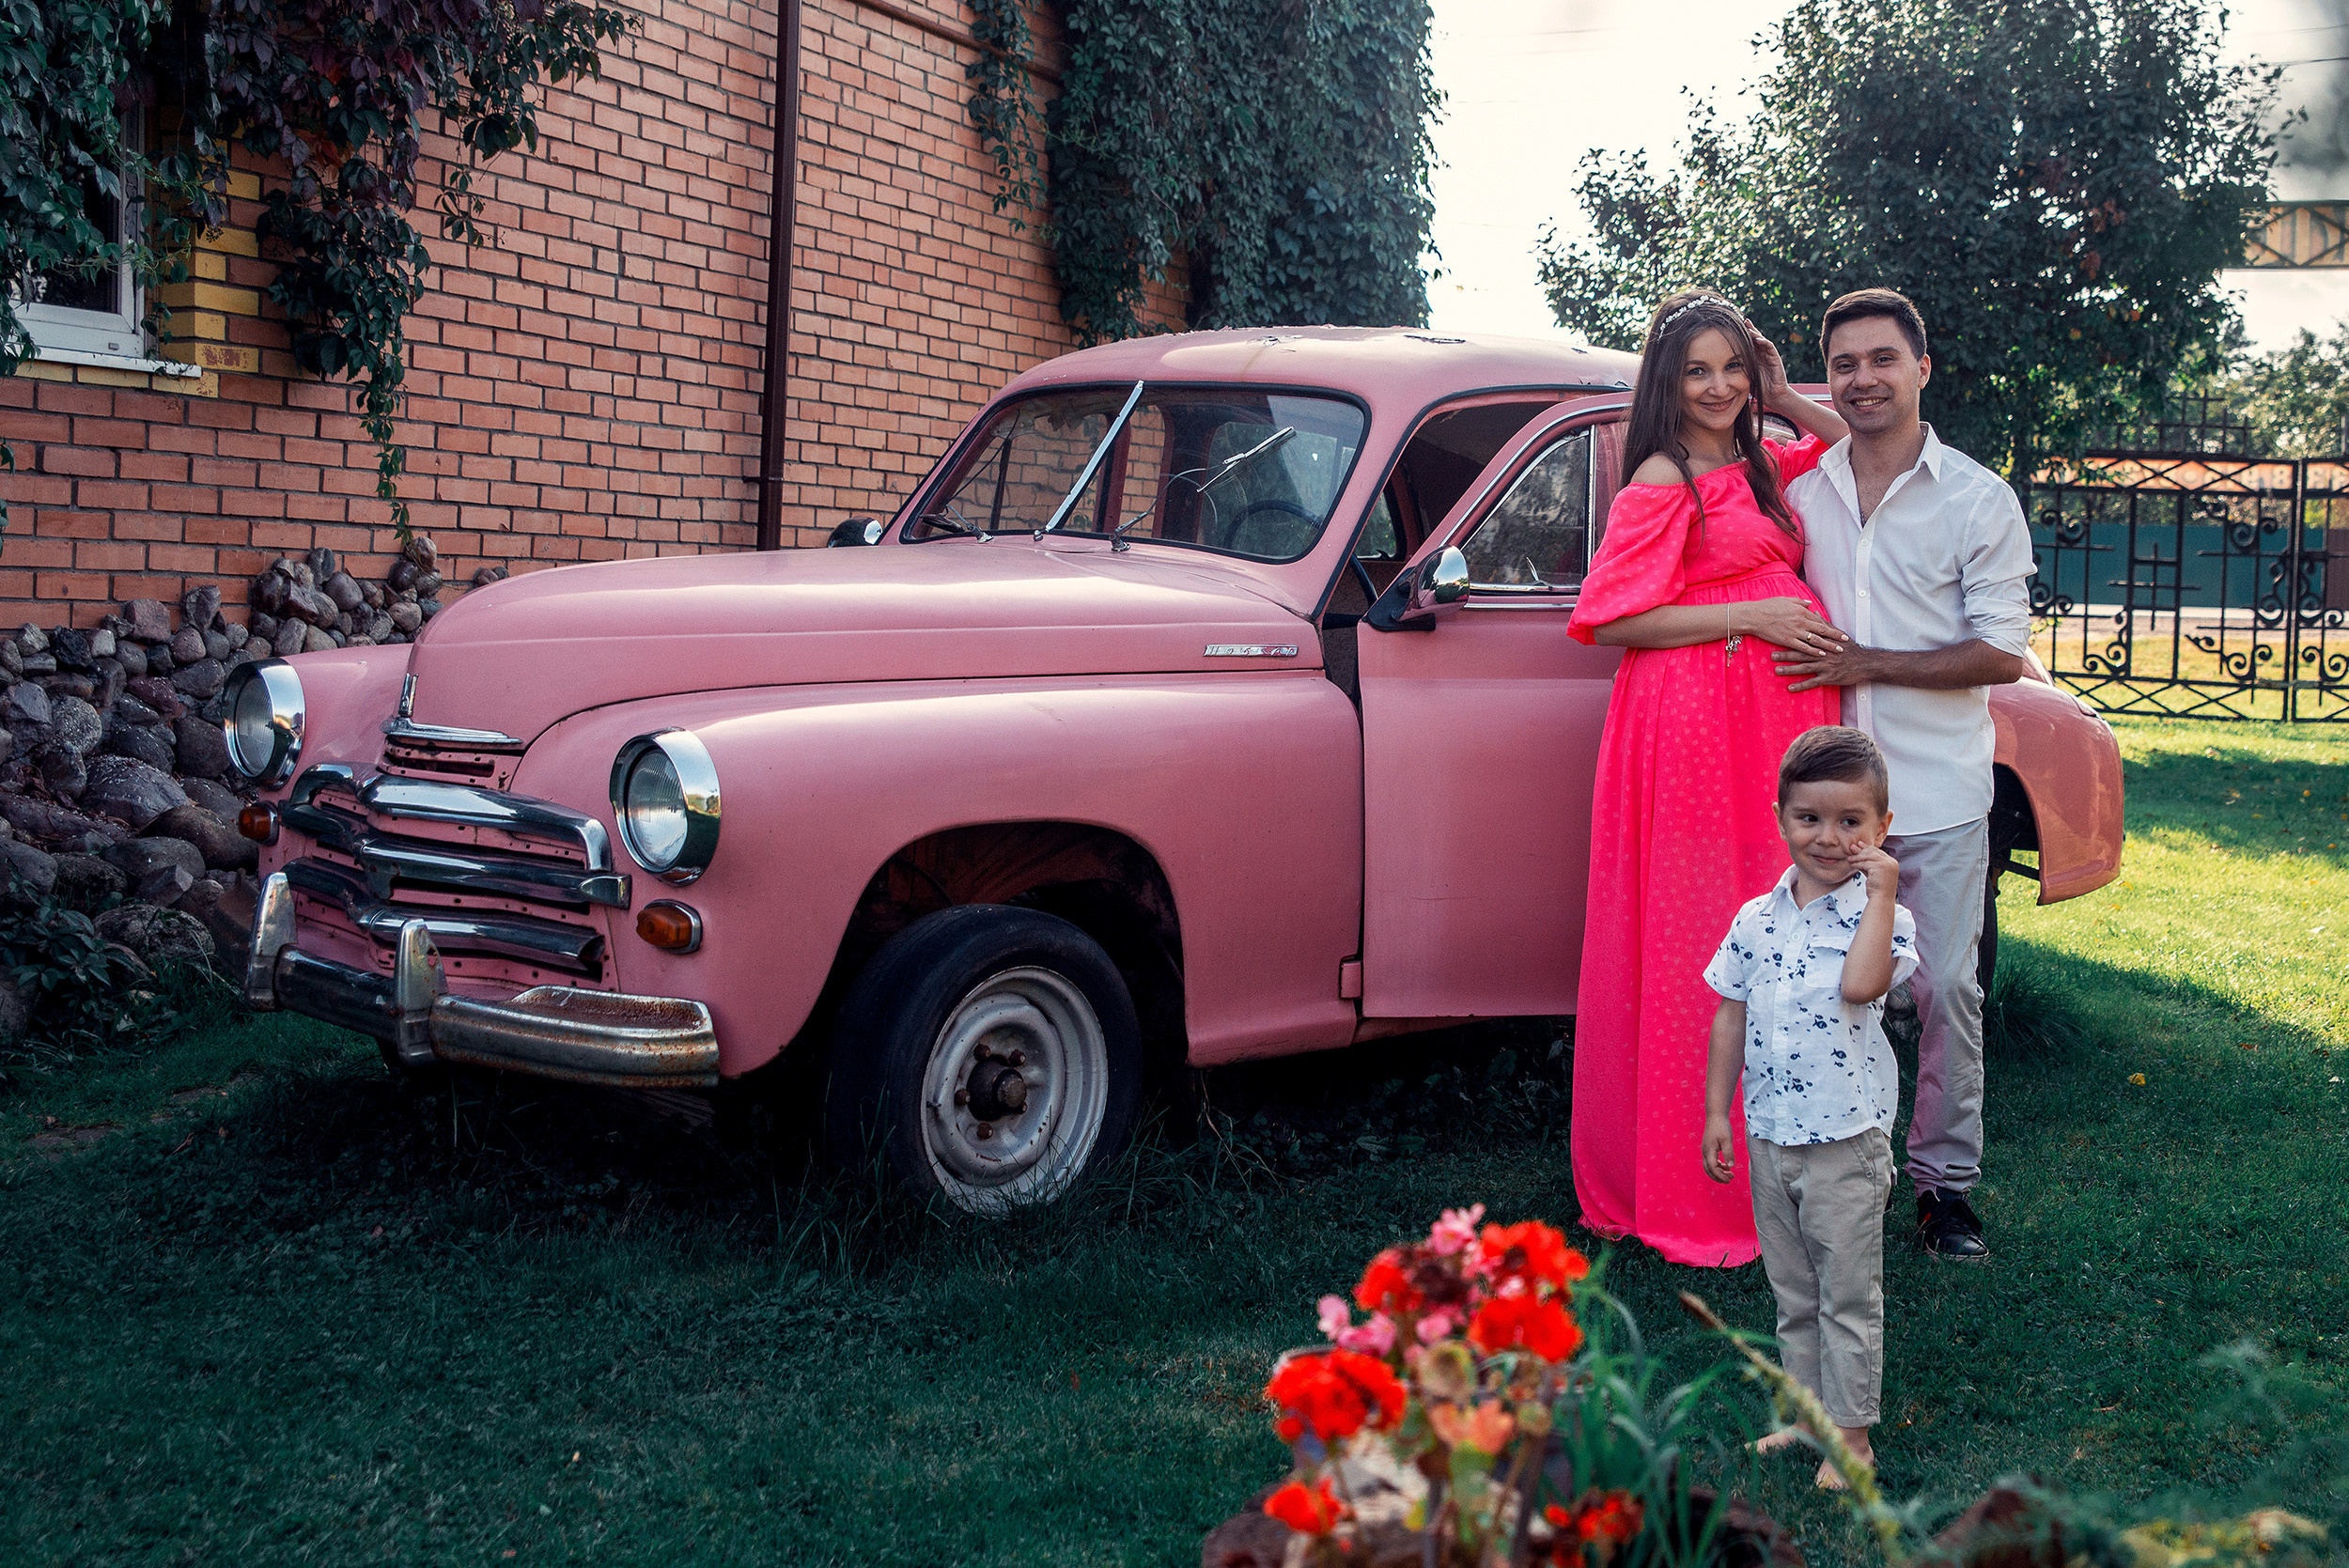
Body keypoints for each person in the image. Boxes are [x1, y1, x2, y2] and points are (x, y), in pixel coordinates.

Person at [1564, 288, 1851, 1266]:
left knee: (1779, 937)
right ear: (1666, 381)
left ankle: (1787, 1178)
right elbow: (1611, 619)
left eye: (1735, 367)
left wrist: (1780, 391)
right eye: (1699, 370)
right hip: (1691, 723)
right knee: (1702, 938)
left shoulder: (1761, 461)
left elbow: (1848, 448)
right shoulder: (1661, 472)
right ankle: (1695, 1188)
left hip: (1771, 724)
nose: (1719, 386)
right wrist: (1755, 619)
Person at [1770, 288, 2034, 1262]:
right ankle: (1835, 1174)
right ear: (1826, 378)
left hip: (1936, 792)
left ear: (1922, 368)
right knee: (1826, 990)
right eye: (1842, 364)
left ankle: (1944, 1187)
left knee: (1945, 992)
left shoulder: (1975, 497)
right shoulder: (1802, 494)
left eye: (1882, 359)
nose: (1862, 378)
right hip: (1823, 807)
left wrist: (1865, 663)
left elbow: (2002, 652)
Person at [1701, 725, 1917, 1490]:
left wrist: (1884, 890)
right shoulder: (1756, 919)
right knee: (1793, 1291)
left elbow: (1862, 987)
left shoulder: (1883, 916)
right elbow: (1730, 1011)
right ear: (1781, 816)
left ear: (1881, 829)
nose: (1829, 837)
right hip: (1770, 1134)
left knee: (1846, 1294)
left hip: (1845, 1143)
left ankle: (1852, 1436)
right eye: (1810, 818)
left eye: (1851, 822)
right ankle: (1805, 1411)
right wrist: (1718, 1113)